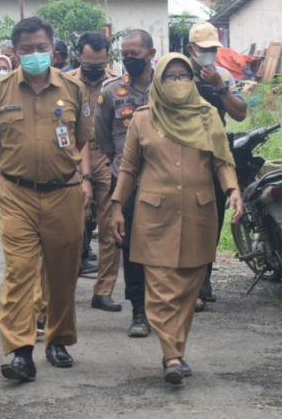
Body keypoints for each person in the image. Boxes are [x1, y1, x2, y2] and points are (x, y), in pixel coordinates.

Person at [108, 53, 243, 385]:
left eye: (185, 76)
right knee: (160, 285)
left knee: (189, 285)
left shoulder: (208, 115)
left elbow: (221, 161)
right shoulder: (142, 119)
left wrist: (233, 190)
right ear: (159, 81)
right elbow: (128, 169)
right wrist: (114, 207)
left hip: (199, 210)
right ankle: (172, 354)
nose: (179, 83)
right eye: (171, 77)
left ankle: (175, 348)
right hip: (154, 213)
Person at [0, 16, 93, 383]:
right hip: (17, 194)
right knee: (19, 272)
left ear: (53, 49)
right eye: (26, 49)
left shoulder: (74, 90)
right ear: (14, 52)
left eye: (41, 48)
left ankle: (58, 339)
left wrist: (80, 178)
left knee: (61, 273)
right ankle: (19, 351)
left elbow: (81, 140)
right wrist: (5, 177)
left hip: (64, 192)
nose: (34, 55)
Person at [96, 29, 156, 336]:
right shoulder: (110, 91)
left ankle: (166, 308)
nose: (129, 59)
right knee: (132, 249)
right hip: (126, 181)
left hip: (165, 181)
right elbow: (105, 142)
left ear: (151, 53)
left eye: (136, 53)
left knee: (165, 248)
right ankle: (139, 312)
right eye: (125, 54)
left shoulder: (170, 88)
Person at [186, 21, 248, 311]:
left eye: (213, 50)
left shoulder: (223, 76)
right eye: (204, 50)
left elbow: (239, 113)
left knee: (211, 222)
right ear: (191, 49)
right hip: (182, 156)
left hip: (215, 155)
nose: (209, 55)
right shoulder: (176, 73)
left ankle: (203, 280)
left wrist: (220, 87)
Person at [70, 32, 122, 308]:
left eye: (99, 65)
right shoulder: (64, 83)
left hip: (106, 156)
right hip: (72, 158)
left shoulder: (115, 84)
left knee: (109, 225)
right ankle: (63, 287)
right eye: (89, 64)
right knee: (71, 227)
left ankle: (103, 291)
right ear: (79, 56)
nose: (93, 70)